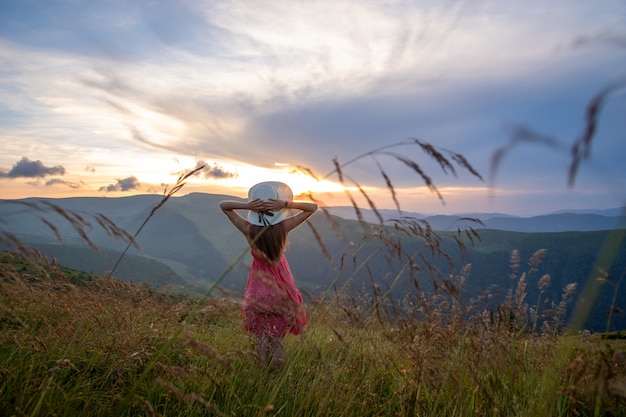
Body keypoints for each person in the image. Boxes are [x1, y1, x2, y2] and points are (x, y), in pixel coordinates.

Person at [219, 181, 318, 369]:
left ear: (255, 213)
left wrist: (247, 206)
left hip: (258, 289)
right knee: (278, 339)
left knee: (261, 338)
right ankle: (275, 377)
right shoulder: (283, 228)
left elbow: (224, 206)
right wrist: (285, 205)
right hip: (281, 289)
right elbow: (312, 207)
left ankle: (261, 375)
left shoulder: (249, 229)